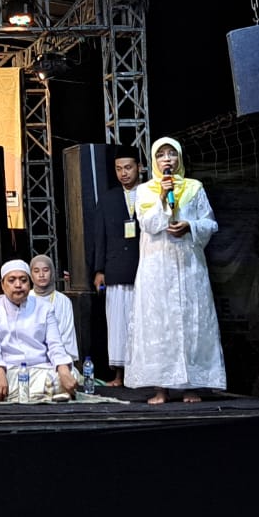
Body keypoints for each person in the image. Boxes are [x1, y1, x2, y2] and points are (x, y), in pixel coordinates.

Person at [127, 136, 227, 404]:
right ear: (154, 161)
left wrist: (190, 226)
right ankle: (160, 387)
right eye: (161, 155)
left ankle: (190, 385)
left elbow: (210, 223)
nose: (167, 159)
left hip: (188, 266)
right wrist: (162, 197)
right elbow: (147, 224)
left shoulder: (195, 187)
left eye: (172, 154)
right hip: (156, 267)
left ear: (180, 158)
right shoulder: (145, 190)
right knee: (159, 324)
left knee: (190, 322)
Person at [0, 260, 76, 402]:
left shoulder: (45, 308)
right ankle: (46, 392)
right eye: (12, 280)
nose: (18, 285)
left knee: (71, 373)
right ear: (2, 285)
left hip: (39, 368)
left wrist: (63, 369)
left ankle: (9, 394)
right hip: (6, 369)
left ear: (29, 284)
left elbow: (55, 344)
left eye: (23, 280)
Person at [90, 143, 145, 386]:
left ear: (139, 167)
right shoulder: (108, 198)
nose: (124, 173)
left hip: (144, 268)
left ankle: (145, 374)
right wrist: (99, 270)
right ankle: (119, 375)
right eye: (119, 169)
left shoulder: (149, 194)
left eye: (128, 168)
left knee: (143, 323)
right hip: (115, 268)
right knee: (118, 324)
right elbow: (99, 236)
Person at [29, 254, 77, 369]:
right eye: (36, 271)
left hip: (59, 357)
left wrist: (59, 358)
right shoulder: (26, 299)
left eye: (45, 270)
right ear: (31, 275)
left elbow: (67, 333)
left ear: (52, 272)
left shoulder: (63, 301)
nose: (41, 275)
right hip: (33, 357)